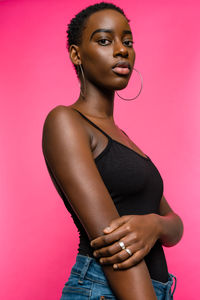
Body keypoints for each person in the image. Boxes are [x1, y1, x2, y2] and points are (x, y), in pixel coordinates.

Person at [42, 2, 184, 299]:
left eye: (128, 41)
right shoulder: (66, 122)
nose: (122, 50)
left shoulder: (123, 138)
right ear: (76, 54)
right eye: (105, 40)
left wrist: (154, 224)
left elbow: (175, 225)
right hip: (105, 290)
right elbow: (112, 245)